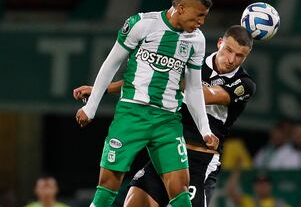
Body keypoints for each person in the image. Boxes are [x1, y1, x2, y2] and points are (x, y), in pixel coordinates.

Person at [74, 25, 256, 206]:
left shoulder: (244, 84)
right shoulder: (195, 61)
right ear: (219, 43)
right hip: (167, 151)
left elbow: (204, 96)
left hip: (199, 161)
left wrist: (171, 76)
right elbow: (145, 80)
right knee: (134, 201)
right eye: (228, 50)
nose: (231, 59)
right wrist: (101, 89)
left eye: (239, 55)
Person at [74, 0, 219, 207]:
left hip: (168, 121)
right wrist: (91, 107)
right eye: (199, 15)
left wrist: (205, 130)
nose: (201, 22)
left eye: (204, 17)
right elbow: (111, 64)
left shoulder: (196, 40)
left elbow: (192, 88)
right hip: (132, 115)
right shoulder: (142, 24)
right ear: (181, 8)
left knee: (180, 190)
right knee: (107, 187)